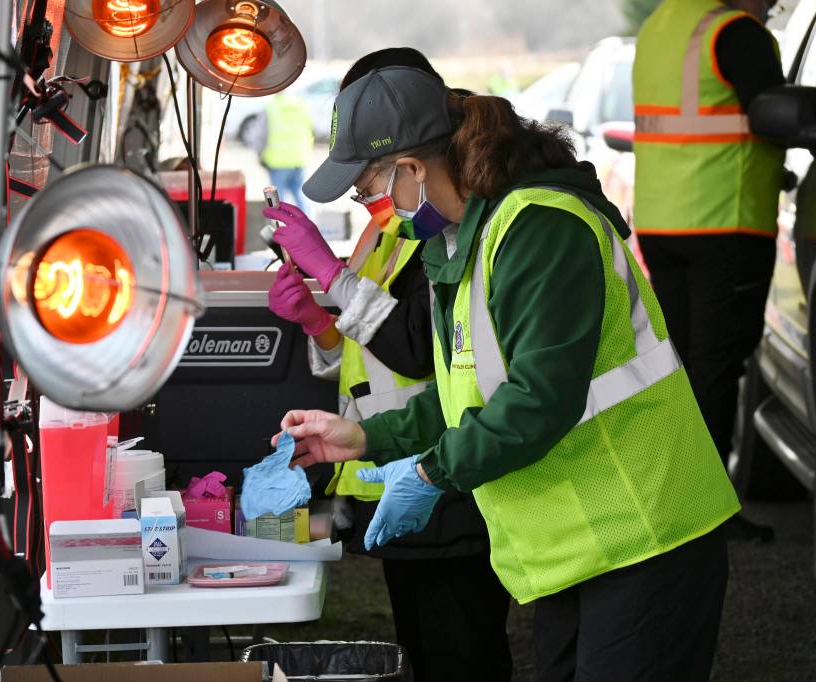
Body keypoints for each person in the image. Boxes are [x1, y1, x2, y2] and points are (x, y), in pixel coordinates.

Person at [274, 65, 741, 681]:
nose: (372, 206)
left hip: (647, 534)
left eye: (367, 188)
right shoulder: (467, 240)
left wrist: (430, 470)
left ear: (412, 170)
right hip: (579, 550)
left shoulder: (539, 227)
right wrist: (366, 437)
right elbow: (466, 392)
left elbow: (538, 401)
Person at [263, 50, 512, 682]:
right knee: (422, 649)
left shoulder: (453, 227)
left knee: (464, 651)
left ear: (406, 160)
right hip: (395, 472)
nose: (363, 194)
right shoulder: (384, 226)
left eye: (365, 178)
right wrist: (318, 322)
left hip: (447, 478)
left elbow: (419, 348)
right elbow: (367, 356)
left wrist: (329, 273)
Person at [632, 0, 785, 541]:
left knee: (681, 363)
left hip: (662, 218)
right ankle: (708, 512)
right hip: (725, 219)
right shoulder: (735, 33)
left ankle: (675, 501)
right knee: (717, 365)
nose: (768, 6)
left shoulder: (659, 27)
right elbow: (776, 118)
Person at [258, 91, 315, 215]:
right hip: (299, 159)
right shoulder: (301, 105)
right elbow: (311, 129)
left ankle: (276, 226)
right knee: (300, 194)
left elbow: (260, 135)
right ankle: (308, 226)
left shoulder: (271, 107)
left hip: (277, 161)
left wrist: (260, 155)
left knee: (275, 198)